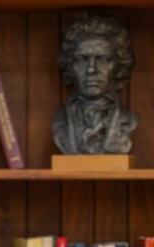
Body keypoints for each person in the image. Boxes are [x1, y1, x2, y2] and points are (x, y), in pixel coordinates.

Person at [53, 13, 139, 155]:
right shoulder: (60, 122)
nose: (91, 69)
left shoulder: (129, 120)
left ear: (119, 65)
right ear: (69, 65)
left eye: (103, 59)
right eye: (82, 59)